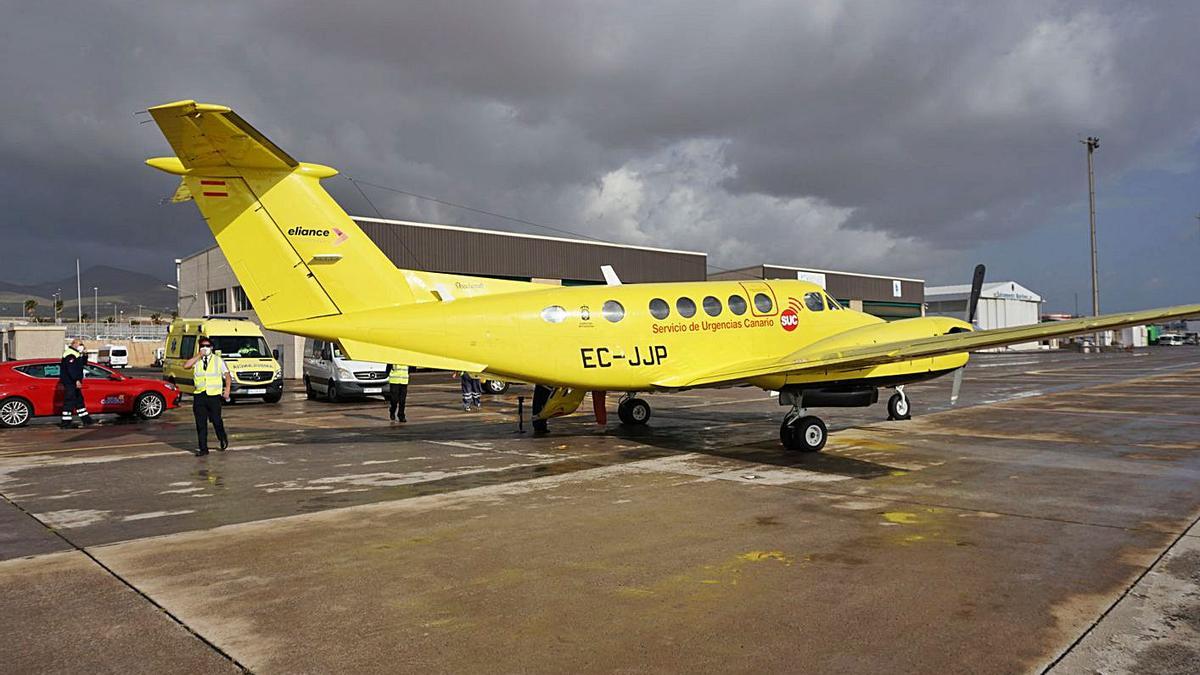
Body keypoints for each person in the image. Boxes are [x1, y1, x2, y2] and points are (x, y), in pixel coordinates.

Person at [184, 338, 231, 456]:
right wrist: (198, 355)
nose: (205, 348)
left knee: (216, 420)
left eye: (207, 346)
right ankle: (203, 449)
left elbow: (227, 375)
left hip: (214, 396)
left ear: (212, 347)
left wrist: (227, 389)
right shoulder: (197, 360)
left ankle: (222, 437)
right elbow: (186, 365)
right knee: (201, 424)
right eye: (202, 346)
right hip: (199, 395)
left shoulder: (218, 360)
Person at [58, 339, 93, 428]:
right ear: (74, 344)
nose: (81, 346)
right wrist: (76, 380)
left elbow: (83, 363)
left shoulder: (76, 354)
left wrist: (85, 354)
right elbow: (71, 370)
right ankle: (66, 422)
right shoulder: (70, 354)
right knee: (69, 401)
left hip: (74, 382)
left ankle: (86, 419)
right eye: (80, 344)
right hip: (70, 382)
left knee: (79, 400)